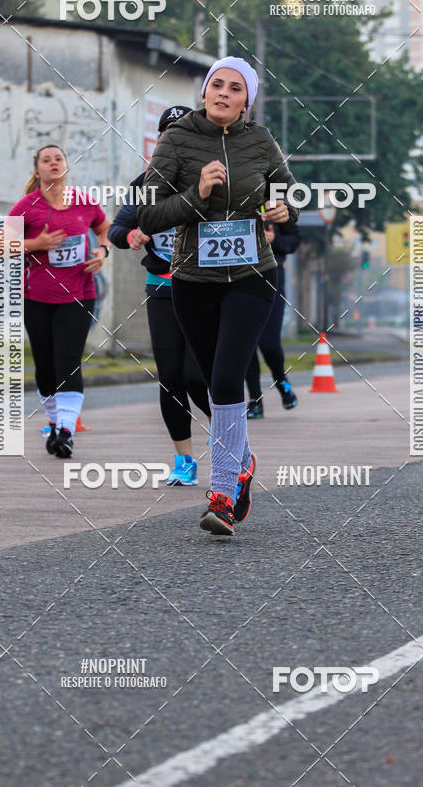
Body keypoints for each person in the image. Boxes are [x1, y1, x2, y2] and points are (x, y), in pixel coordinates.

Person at [138, 55, 298, 536]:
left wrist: (283, 208)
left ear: (247, 100)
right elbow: (150, 214)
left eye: (235, 88)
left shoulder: (261, 140)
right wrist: (199, 194)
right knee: (210, 382)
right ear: (205, 91)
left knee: (228, 379)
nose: (223, 94)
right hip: (192, 281)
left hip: (252, 276)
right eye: (216, 85)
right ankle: (242, 459)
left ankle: (223, 493)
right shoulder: (177, 139)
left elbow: (287, 190)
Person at [108, 105, 211, 486]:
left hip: (204, 289)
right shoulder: (144, 185)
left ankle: (230, 440)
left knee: (196, 377)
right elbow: (117, 229)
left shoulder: (214, 180)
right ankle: (184, 459)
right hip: (163, 286)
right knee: (170, 378)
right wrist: (130, 235)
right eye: (168, 134)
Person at [8, 144, 111, 457]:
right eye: (46, 160)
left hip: (79, 294)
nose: (53, 164)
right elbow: (3, 245)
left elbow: (104, 227)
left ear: (66, 166)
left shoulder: (84, 202)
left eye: (58, 159)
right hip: (37, 297)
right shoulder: (27, 206)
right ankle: (55, 425)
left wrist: (102, 251)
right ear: (37, 170)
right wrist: (37, 243)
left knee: (67, 361)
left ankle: (66, 431)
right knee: (45, 366)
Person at [246, 219, 301, 419]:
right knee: (245, 343)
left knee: (269, 343)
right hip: (238, 277)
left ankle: (281, 380)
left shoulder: (276, 200)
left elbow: (294, 239)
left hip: (271, 276)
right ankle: (255, 399)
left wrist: (274, 239)